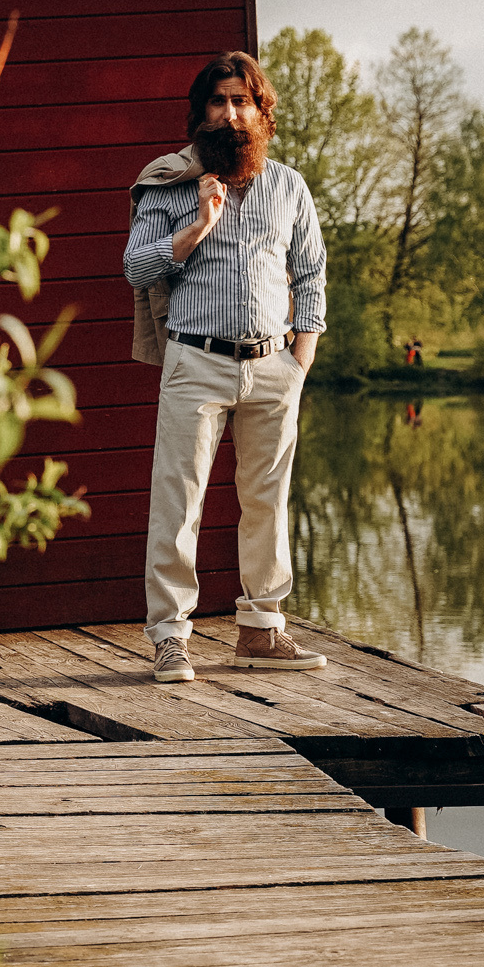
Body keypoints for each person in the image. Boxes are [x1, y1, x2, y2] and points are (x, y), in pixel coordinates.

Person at [122, 51, 329, 683]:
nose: (230, 112)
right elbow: (137, 267)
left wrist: (301, 358)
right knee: (178, 501)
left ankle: (262, 630)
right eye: (218, 101)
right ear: (201, 111)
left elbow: (311, 272)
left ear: (261, 112)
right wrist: (197, 227)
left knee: (267, 500)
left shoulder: (289, 185)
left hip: (272, 365)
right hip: (196, 360)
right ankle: (171, 638)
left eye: (242, 101)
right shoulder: (168, 182)